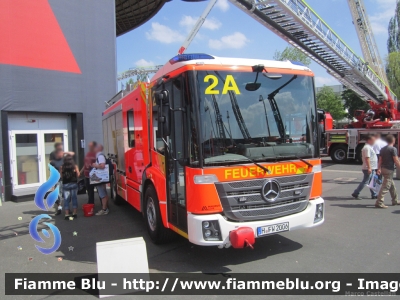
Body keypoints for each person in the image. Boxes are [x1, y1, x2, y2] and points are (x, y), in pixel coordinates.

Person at [376, 134, 400, 208]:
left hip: (383, 168)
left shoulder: (383, 149)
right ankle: (379, 202)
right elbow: (396, 160)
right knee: (386, 186)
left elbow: (380, 160)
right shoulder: (393, 149)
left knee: (391, 185)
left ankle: (395, 200)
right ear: (393, 140)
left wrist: (378, 168)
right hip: (389, 169)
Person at [352, 134, 378, 200]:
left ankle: (374, 194)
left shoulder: (369, 147)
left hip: (371, 167)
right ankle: (356, 193)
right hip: (368, 168)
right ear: (369, 140)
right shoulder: (367, 148)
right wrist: (369, 167)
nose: (374, 141)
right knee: (366, 181)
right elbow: (367, 158)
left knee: (371, 181)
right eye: (373, 140)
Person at [60, 155, 80, 219]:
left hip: (65, 184)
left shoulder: (62, 167)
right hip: (74, 184)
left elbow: (61, 177)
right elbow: (78, 175)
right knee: (74, 198)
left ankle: (67, 214)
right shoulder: (75, 167)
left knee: (66, 199)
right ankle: (75, 213)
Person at [92, 144, 109, 215]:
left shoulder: (100, 156)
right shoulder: (99, 156)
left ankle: (104, 209)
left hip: (100, 178)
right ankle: (105, 208)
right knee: (103, 193)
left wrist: (95, 165)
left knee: (102, 194)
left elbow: (102, 166)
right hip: (101, 177)